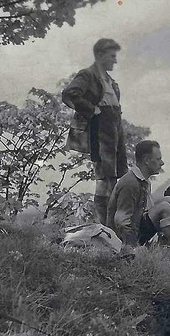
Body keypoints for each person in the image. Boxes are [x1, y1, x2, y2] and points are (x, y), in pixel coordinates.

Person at [63, 38, 127, 225]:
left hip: (116, 126)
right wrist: (92, 110)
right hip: (101, 127)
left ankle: (112, 227)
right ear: (100, 55)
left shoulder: (110, 81)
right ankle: (103, 226)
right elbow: (69, 93)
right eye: (112, 56)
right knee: (104, 177)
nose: (115, 61)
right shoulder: (87, 75)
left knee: (117, 175)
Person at [106, 140, 170, 248]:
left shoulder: (143, 180)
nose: (162, 163)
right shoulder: (130, 183)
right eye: (158, 159)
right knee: (164, 207)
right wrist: (131, 248)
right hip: (121, 239)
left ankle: (165, 246)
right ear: (146, 160)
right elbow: (121, 221)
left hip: (137, 226)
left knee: (169, 200)